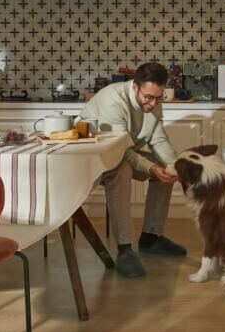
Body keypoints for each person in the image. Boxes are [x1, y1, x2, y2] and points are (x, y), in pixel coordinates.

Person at [78, 62, 185, 279]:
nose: (153, 103)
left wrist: (175, 166)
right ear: (135, 87)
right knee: (123, 169)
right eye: (148, 97)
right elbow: (120, 150)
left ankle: (151, 238)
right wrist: (152, 167)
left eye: (158, 97)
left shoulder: (153, 100)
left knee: (166, 170)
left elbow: (158, 138)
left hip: (122, 153)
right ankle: (125, 250)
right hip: (93, 159)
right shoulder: (113, 100)